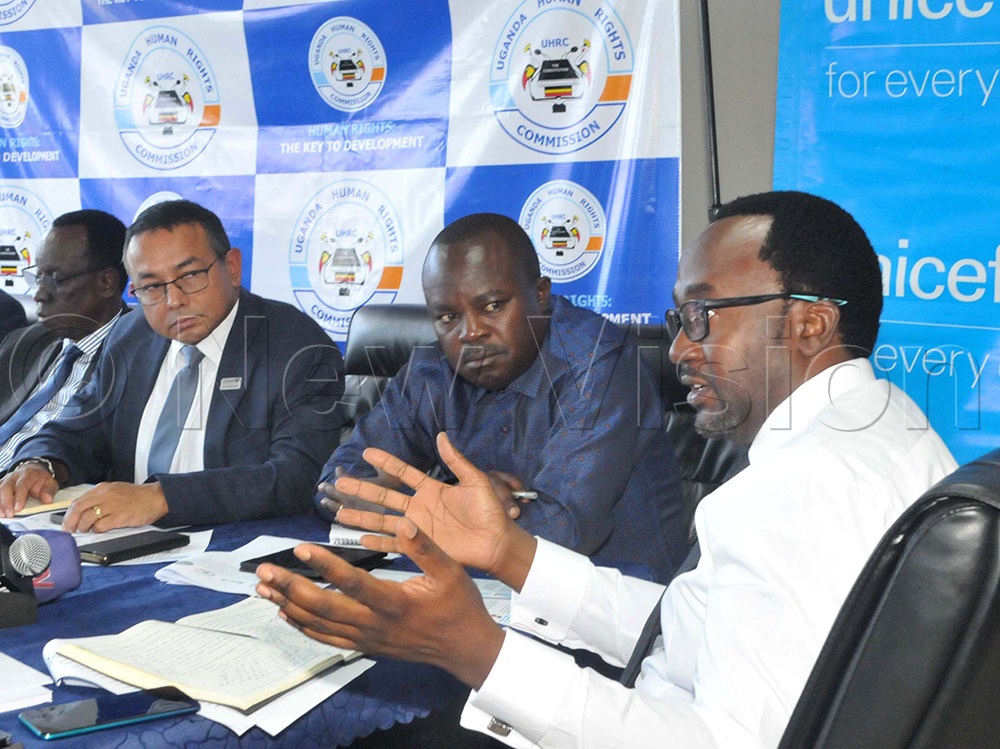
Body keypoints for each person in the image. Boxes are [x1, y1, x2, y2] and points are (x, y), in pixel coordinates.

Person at [255, 191, 958, 748]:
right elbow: (686, 626)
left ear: (809, 325)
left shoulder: (798, 489)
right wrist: (512, 550)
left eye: (703, 314)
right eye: (679, 317)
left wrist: (478, 651)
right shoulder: (883, 428)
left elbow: (717, 741)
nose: (680, 348)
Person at [320, 212, 687, 582]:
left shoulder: (598, 364)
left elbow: (559, 531)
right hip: (478, 587)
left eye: (493, 306)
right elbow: (335, 483)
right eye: (448, 317)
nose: (471, 333)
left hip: (616, 596)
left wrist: (415, 508)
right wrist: (455, 501)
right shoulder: (431, 371)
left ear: (541, 295)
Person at [0, 200, 345, 531]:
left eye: (191, 275)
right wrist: (41, 464)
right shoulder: (130, 336)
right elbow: (75, 430)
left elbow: (299, 476)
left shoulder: (297, 347)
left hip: (232, 551)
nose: (174, 300)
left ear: (233, 267)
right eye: (151, 287)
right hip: (119, 543)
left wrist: (161, 498)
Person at [0, 210, 130, 465]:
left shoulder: (138, 359)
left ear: (106, 282)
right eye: (38, 277)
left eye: (55, 279)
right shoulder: (22, 342)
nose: (39, 294)